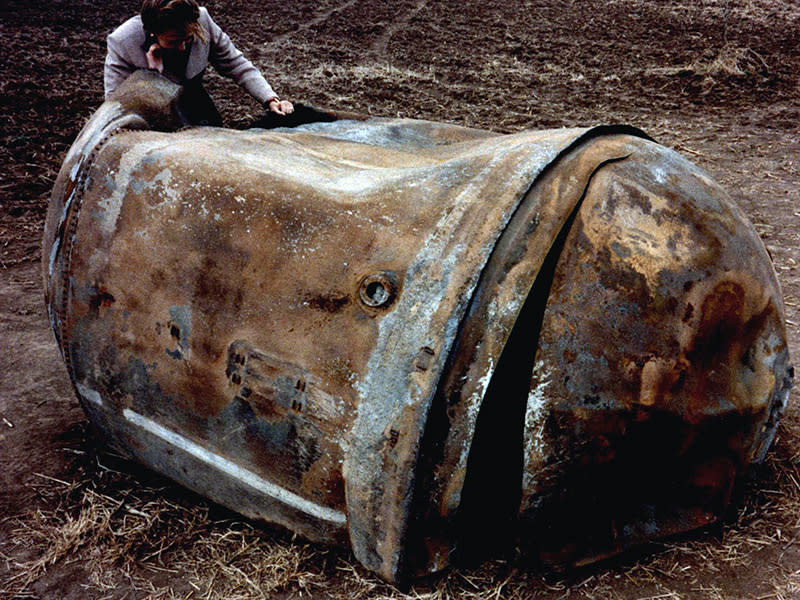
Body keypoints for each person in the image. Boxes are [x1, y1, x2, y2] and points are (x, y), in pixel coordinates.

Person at [104, 0, 294, 125]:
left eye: (188, 39)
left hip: (194, 100)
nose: (182, 48)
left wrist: (270, 99)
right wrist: (152, 76)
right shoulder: (122, 41)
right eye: (173, 41)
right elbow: (116, 106)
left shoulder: (203, 19)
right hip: (151, 117)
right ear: (153, 31)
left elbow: (235, 64)